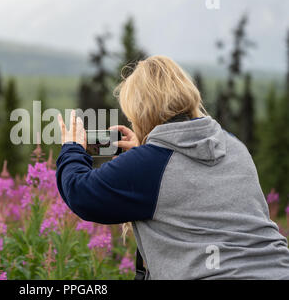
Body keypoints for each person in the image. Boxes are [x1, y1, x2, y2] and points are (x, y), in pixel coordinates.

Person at [55, 55, 289, 280]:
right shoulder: (233, 145)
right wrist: (145, 150)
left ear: (140, 111)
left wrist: (72, 148)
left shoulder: (151, 165)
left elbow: (80, 192)